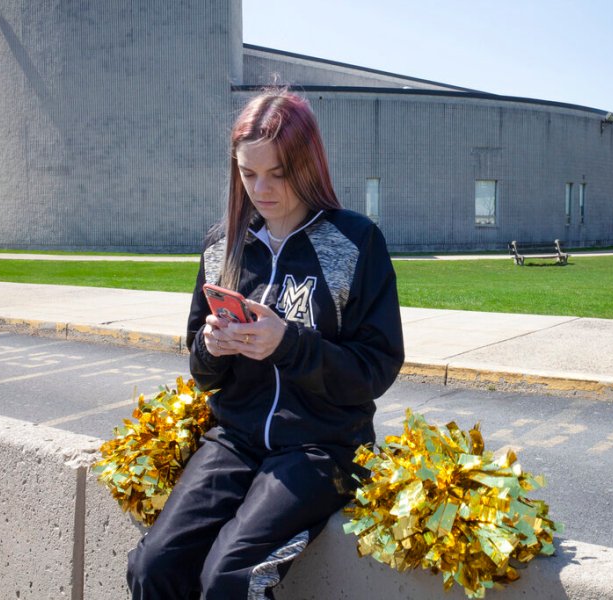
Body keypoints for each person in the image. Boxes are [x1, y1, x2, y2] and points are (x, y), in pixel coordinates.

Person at [126, 89, 405, 599]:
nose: (261, 188)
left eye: (277, 173)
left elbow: (377, 367)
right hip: (236, 438)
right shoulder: (222, 245)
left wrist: (289, 344)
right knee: (152, 565)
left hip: (324, 448)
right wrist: (213, 347)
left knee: (229, 578)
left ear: (308, 164)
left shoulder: (355, 241)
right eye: (248, 173)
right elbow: (201, 368)